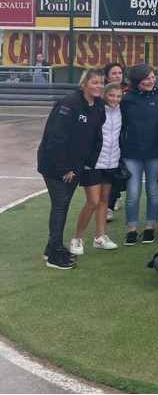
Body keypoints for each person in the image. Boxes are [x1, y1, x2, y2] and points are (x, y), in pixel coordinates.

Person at [36, 68, 106, 269]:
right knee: (60, 206)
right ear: (84, 84)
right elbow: (55, 138)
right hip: (55, 166)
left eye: (101, 82)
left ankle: (52, 248)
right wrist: (64, 168)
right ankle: (54, 256)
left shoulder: (98, 105)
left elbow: (95, 137)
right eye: (94, 82)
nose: (98, 86)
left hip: (76, 167)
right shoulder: (69, 103)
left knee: (62, 206)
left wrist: (87, 163)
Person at [69, 82, 124, 255]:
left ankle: (100, 237)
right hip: (93, 163)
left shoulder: (121, 111)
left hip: (112, 162)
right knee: (93, 201)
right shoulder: (96, 110)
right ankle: (77, 238)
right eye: (111, 95)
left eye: (118, 96)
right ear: (104, 95)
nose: (115, 99)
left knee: (104, 200)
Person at [121, 64, 158, 246]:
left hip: (155, 153)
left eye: (152, 77)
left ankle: (150, 226)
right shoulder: (126, 99)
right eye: (146, 79)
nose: (151, 81)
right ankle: (131, 228)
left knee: (153, 192)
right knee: (133, 193)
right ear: (136, 82)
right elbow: (120, 126)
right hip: (131, 153)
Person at [102, 62, 127, 221]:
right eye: (114, 73)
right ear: (107, 77)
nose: (118, 76)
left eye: (120, 73)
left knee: (117, 174)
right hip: (104, 145)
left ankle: (112, 201)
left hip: (120, 142)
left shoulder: (128, 93)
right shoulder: (101, 96)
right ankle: (108, 205)